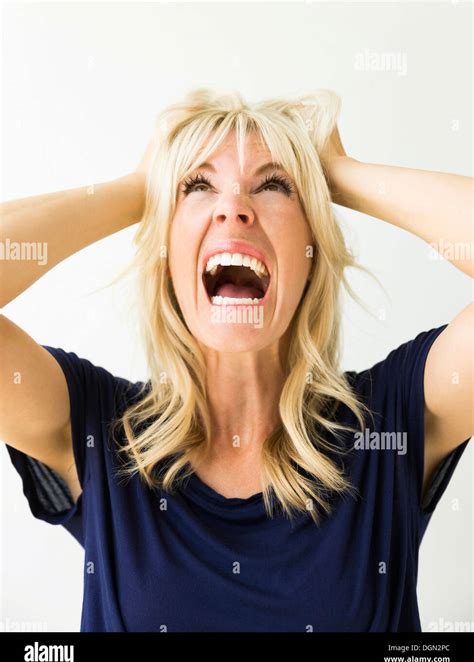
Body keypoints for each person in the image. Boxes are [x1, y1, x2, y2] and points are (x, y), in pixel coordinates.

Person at [1, 88, 472, 632]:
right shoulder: (96, 430)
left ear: (311, 251)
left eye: (274, 185)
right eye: (198, 187)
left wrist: (341, 173)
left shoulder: (390, 424)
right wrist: (135, 189)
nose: (233, 208)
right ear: (166, 256)